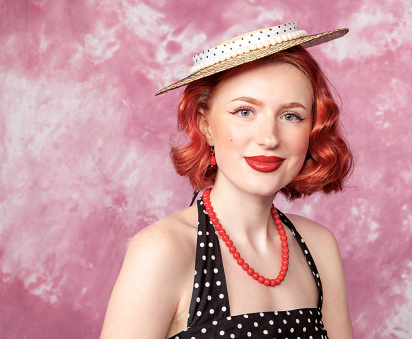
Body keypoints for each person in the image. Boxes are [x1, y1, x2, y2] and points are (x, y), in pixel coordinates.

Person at [100, 22, 355, 338]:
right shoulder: (162, 250)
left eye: (291, 116)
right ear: (206, 125)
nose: (269, 138)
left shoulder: (319, 246)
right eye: (245, 112)